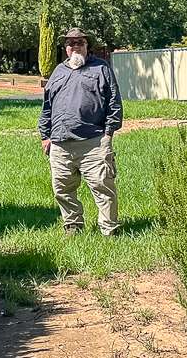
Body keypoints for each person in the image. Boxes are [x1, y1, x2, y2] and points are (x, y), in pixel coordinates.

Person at [38, 28, 123, 236]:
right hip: (60, 143)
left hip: (93, 141)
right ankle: (73, 226)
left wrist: (108, 134)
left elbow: (114, 102)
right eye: (70, 43)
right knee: (62, 189)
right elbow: (47, 106)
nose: (75, 46)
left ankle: (109, 229)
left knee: (102, 187)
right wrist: (45, 135)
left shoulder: (101, 68)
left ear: (87, 46)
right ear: (65, 48)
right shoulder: (58, 71)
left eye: (80, 42)